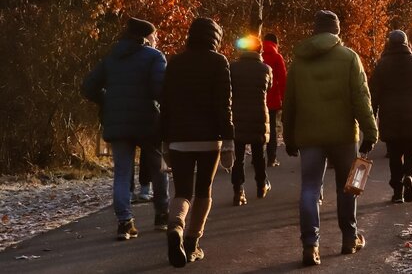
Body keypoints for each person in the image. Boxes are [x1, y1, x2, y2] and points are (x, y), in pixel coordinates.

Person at [283, 10, 378, 267]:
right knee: (348, 186)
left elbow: (289, 103)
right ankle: (349, 238)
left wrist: (289, 136)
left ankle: (310, 245)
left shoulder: (299, 61)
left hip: (309, 135)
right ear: (337, 31)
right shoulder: (349, 57)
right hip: (343, 134)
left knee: (310, 188)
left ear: (315, 31)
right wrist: (370, 131)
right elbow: (361, 97)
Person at [81, 17, 170, 241]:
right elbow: (161, 90)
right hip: (147, 121)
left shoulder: (112, 58)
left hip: (118, 122)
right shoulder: (154, 57)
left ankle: (125, 222)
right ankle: (162, 215)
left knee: (122, 172)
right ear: (146, 36)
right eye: (155, 35)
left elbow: (88, 87)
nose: (156, 39)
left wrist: (108, 100)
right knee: (158, 167)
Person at [161, 17, 235, 268]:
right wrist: (228, 140)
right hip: (209, 140)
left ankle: (175, 227)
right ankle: (192, 243)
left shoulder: (175, 63)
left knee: (182, 191)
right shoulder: (219, 62)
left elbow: (166, 104)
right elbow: (224, 105)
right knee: (204, 191)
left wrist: (164, 140)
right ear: (215, 38)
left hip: (178, 139)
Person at [370, 30, 412, 204]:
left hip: (389, 114)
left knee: (394, 153)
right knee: (411, 150)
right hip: (411, 113)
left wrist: (371, 117)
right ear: (407, 43)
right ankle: (410, 177)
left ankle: (397, 191)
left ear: (389, 44)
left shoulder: (382, 65)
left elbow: (373, 95)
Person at [230, 34, 273, 205]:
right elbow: (268, 88)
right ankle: (261, 185)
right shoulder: (265, 69)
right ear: (259, 49)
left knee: (238, 157)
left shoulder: (232, 68)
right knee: (258, 154)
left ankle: (238, 190)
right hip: (258, 115)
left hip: (237, 115)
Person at [262, 33, 287, 167]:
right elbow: (282, 80)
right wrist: (284, 100)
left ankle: (257, 158)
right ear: (276, 43)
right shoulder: (277, 57)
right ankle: (271, 158)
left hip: (257, 98)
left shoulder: (257, 54)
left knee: (258, 129)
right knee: (271, 129)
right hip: (272, 100)